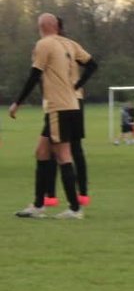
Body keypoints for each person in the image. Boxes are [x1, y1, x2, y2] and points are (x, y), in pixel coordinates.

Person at [8, 12, 96, 219]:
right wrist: (76, 86)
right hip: (72, 105)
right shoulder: (69, 43)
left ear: (42, 26)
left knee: (63, 155)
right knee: (41, 151)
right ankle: (38, 205)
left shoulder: (44, 44)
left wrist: (17, 103)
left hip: (58, 107)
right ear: (56, 25)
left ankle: (75, 209)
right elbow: (92, 63)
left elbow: (34, 75)